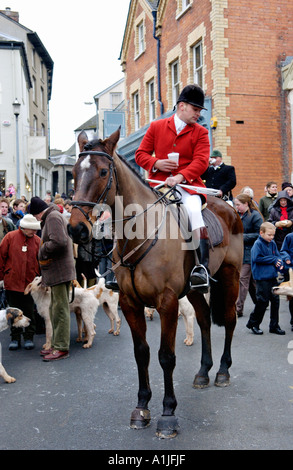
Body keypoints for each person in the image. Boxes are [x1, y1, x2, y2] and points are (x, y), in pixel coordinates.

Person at [135, 84, 210, 291]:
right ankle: (123, 266)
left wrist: (180, 176)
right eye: (195, 109)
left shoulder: (201, 132)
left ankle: (200, 268)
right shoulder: (156, 126)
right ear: (182, 106)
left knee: (194, 212)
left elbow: (202, 161)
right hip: (157, 185)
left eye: (200, 110)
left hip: (188, 186)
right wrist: (155, 163)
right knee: (132, 213)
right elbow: (140, 154)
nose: (198, 114)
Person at [29, 196, 76, 361]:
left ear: (38, 212)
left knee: (60, 310)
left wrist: (42, 251)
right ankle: (57, 345)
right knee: (56, 309)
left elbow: (59, 241)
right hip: (58, 271)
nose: (36, 219)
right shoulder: (53, 216)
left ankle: (61, 347)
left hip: (59, 271)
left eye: (35, 216)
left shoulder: (53, 217)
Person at [0, 214, 41, 349]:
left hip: (30, 284)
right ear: (23, 228)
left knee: (29, 311)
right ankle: (15, 337)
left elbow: (41, 262)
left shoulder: (37, 241)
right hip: (12, 281)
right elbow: (1, 258)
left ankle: (29, 336)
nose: (35, 231)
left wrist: (40, 279)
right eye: (32, 229)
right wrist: (1, 278)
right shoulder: (10, 237)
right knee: (13, 313)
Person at [246, 222, 285, 335]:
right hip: (262, 278)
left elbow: (278, 256)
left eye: (273, 235)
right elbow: (257, 258)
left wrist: (279, 262)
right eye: (269, 235)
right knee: (262, 301)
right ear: (261, 233)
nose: (271, 237)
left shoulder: (272, 243)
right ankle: (253, 323)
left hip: (272, 276)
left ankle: (274, 325)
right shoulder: (257, 244)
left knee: (275, 301)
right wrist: (273, 260)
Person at [234, 194, 263, 317]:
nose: (236, 207)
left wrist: (240, 237)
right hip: (239, 251)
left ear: (246, 204)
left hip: (250, 252)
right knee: (251, 282)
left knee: (242, 280)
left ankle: (237, 309)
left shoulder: (255, 216)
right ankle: (261, 303)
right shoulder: (238, 215)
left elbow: (260, 234)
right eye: (235, 204)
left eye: (238, 205)